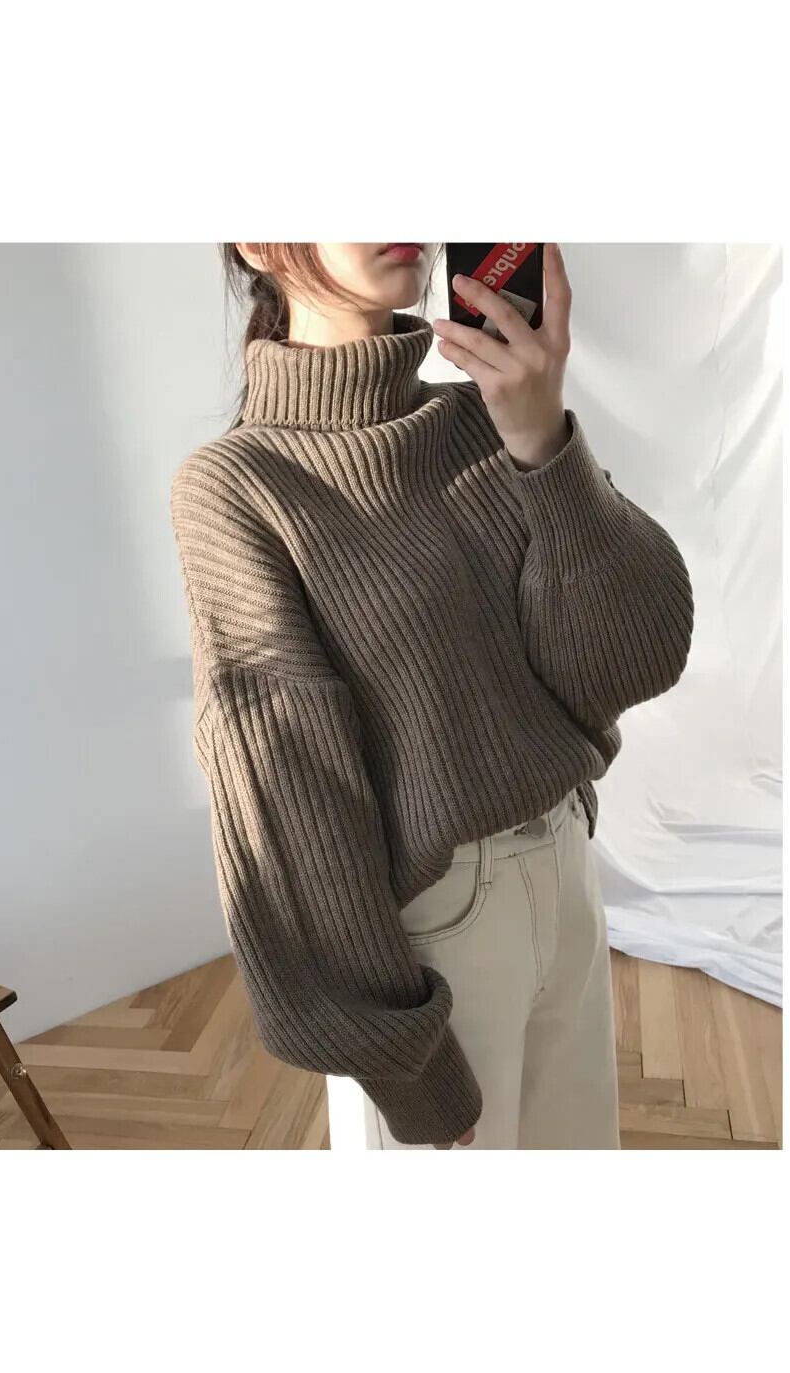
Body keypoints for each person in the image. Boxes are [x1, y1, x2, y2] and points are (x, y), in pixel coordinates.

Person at [171, 244, 695, 1151]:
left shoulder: (487, 418)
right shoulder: (237, 486)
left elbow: (636, 655)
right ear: (257, 240)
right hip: (435, 933)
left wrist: (545, 443)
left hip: (566, 870)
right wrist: (400, 1058)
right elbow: (287, 794)